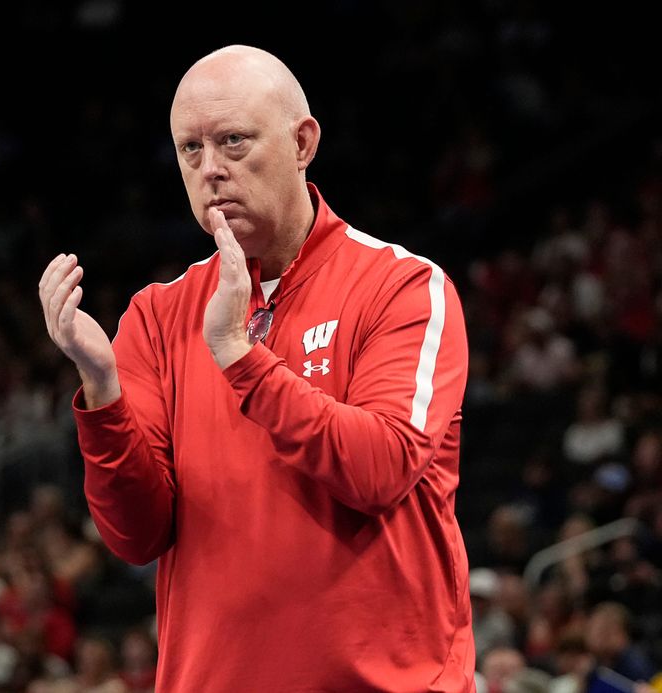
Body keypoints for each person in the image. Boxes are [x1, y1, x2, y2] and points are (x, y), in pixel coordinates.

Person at [39, 44, 474, 692]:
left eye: (233, 141)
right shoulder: (156, 317)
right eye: (191, 149)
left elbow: (380, 468)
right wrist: (102, 392)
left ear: (303, 143)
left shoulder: (404, 287)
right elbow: (136, 534)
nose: (210, 169)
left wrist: (241, 358)